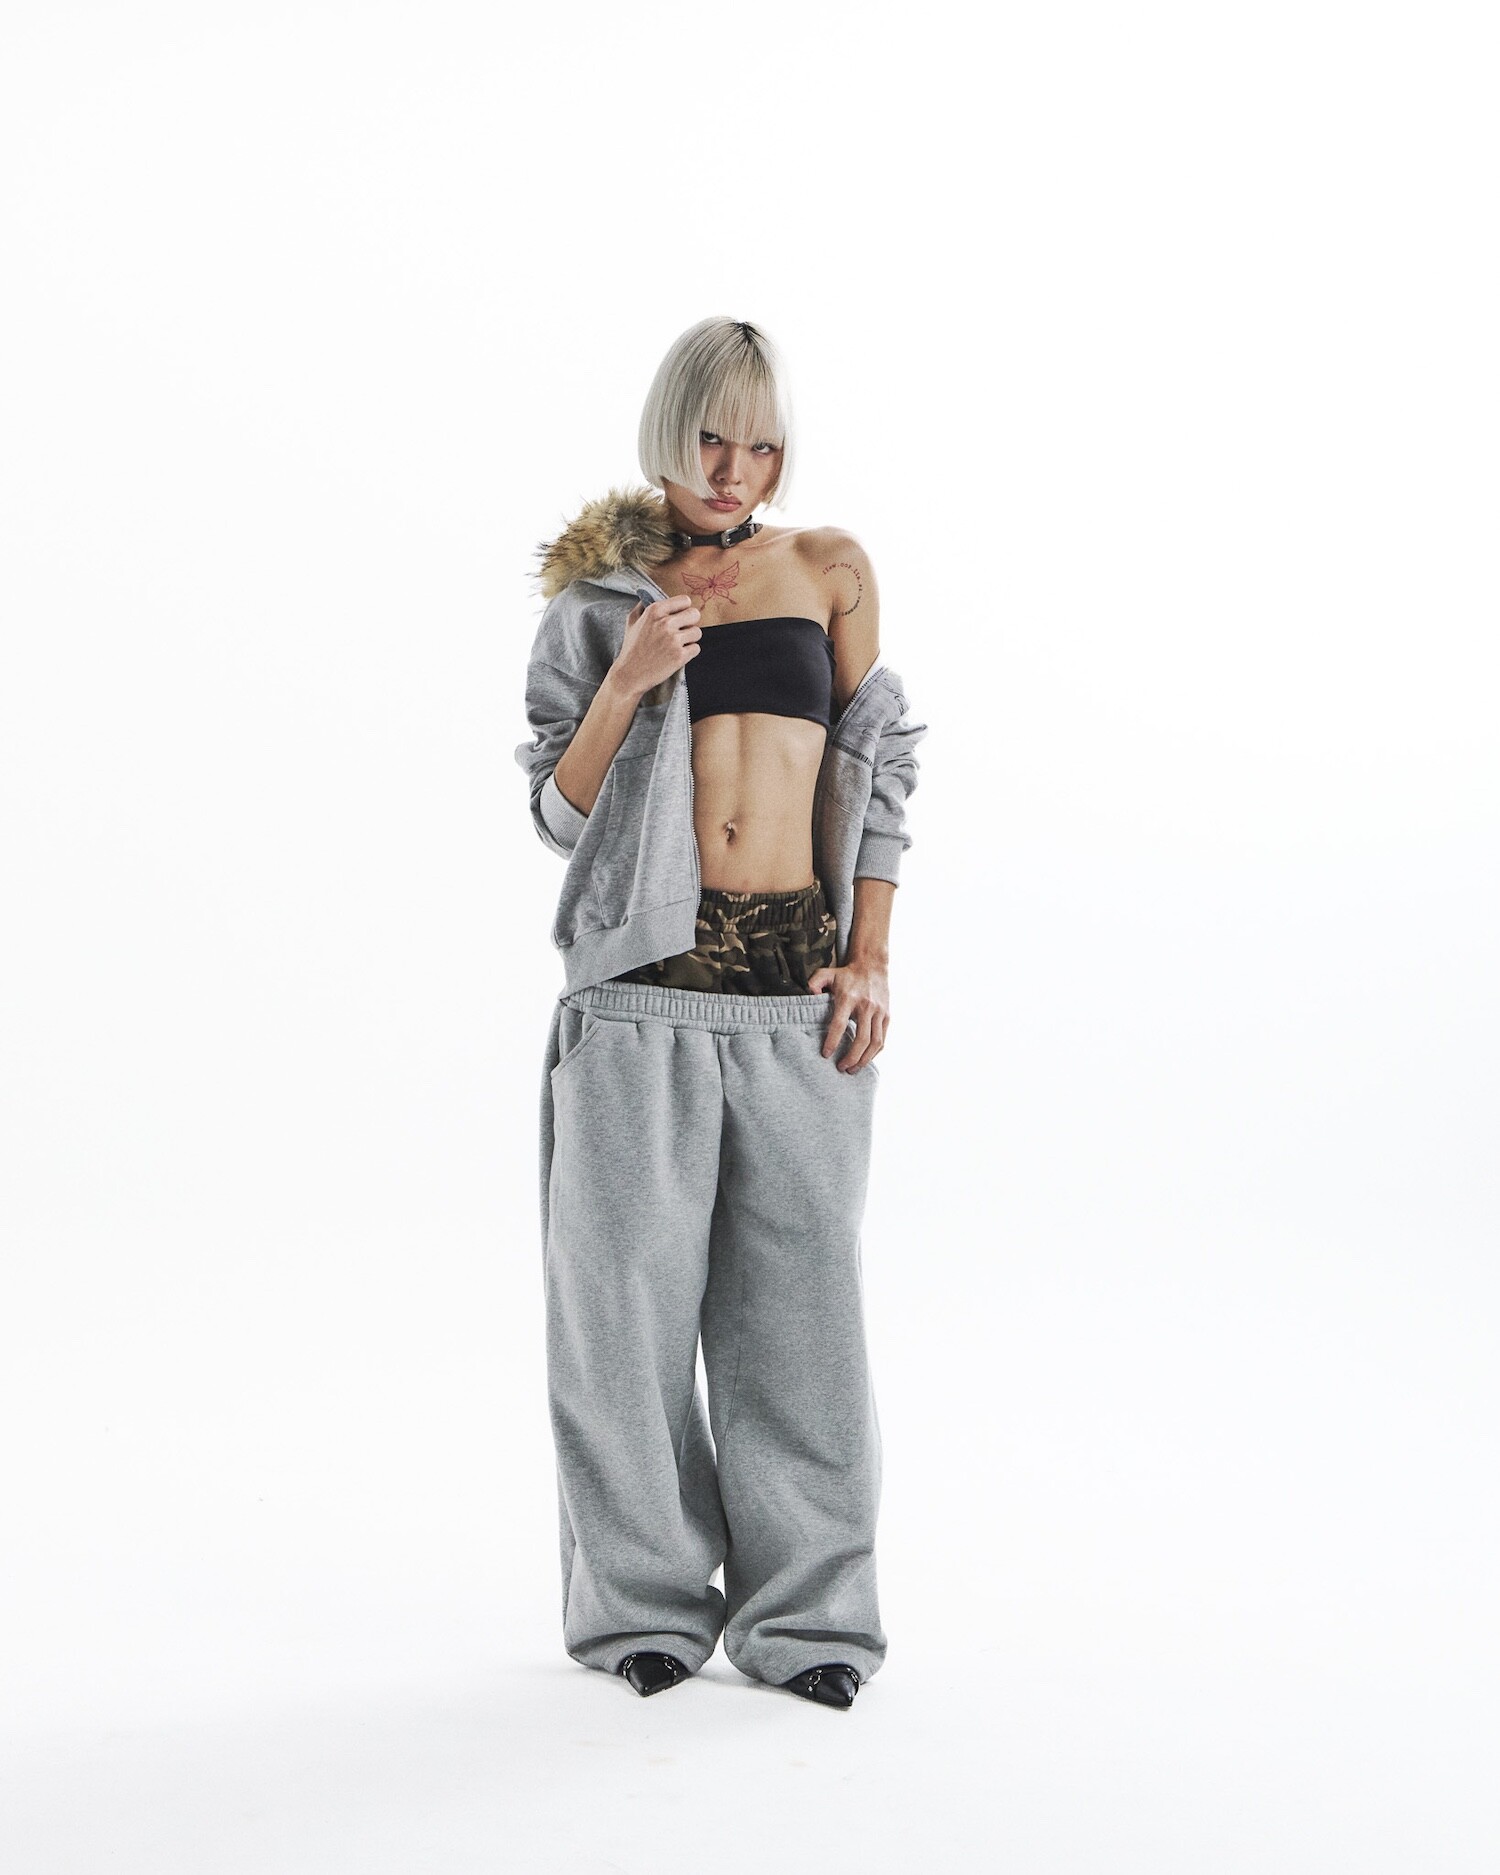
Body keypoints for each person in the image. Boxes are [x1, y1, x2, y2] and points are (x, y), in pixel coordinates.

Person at [515, 316, 926, 1709]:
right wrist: (632, 678)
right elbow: (556, 817)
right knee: (621, 1322)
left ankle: (812, 1624)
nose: (735, 468)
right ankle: (640, 1609)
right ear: (667, 432)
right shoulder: (600, 603)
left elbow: (883, 762)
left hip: (792, 988)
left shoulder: (830, 569)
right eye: (710, 438)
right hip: (641, 993)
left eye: (762, 444)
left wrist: (871, 956)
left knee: (802, 1323)